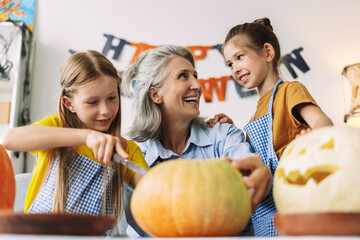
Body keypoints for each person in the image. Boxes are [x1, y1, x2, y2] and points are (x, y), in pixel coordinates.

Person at [121, 45, 272, 237]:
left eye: (195, 76)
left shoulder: (223, 135)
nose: (197, 86)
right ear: (155, 94)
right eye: (183, 76)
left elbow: (253, 178)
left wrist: (262, 175)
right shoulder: (135, 158)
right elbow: (139, 229)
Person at [208, 18, 334, 236]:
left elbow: (325, 124)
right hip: (265, 215)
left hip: (297, 203)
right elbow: (257, 158)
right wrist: (234, 130)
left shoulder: (289, 91)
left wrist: (312, 141)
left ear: (267, 52)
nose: (235, 68)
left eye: (240, 57)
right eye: (229, 64)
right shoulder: (255, 116)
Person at [2, 51, 149, 222]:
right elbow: (9, 140)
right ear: (69, 104)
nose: (106, 110)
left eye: (112, 98)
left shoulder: (126, 150)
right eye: (93, 102)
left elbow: (150, 192)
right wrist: (86, 136)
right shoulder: (57, 127)